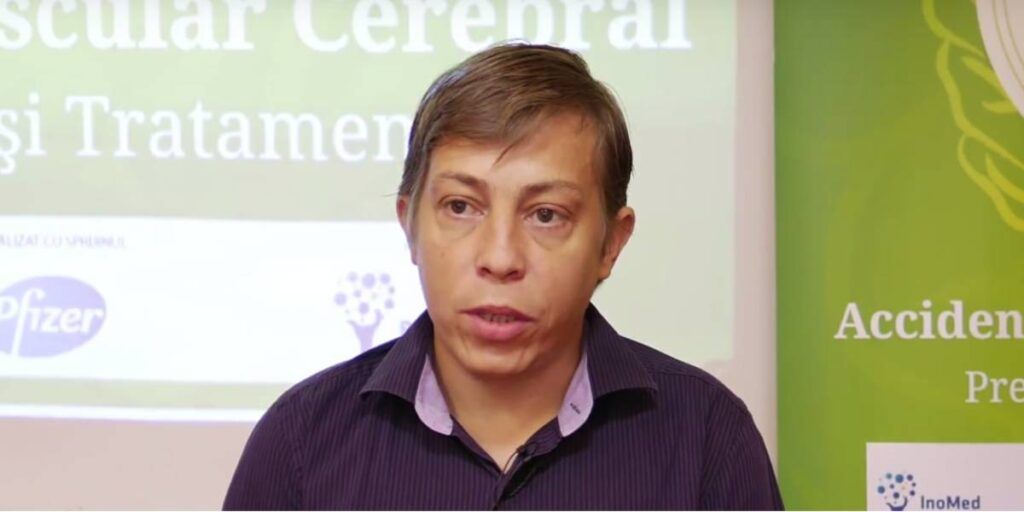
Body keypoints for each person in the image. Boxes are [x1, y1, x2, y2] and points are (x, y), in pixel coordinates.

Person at [224, 42, 783, 510]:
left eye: (546, 215)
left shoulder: (707, 438)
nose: (500, 258)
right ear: (410, 226)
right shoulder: (301, 440)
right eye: (460, 207)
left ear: (611, 244)